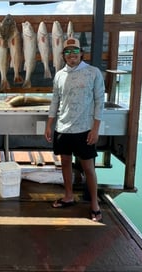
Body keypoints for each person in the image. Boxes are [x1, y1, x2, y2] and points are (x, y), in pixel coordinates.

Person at [44, 37, 105, 222]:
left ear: (81, 53)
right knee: (65, 163)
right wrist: (49, 124)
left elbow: (99, 102)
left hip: (85, 129)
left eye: (75, 51)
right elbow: (55, 100)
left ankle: (95, 204)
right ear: (63, 55)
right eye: (68, 52)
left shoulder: (93, 72)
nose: (72, 55)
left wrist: (95, 129)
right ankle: (68, 196)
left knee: (88, 167)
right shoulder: (59, 75)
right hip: (63, 128)